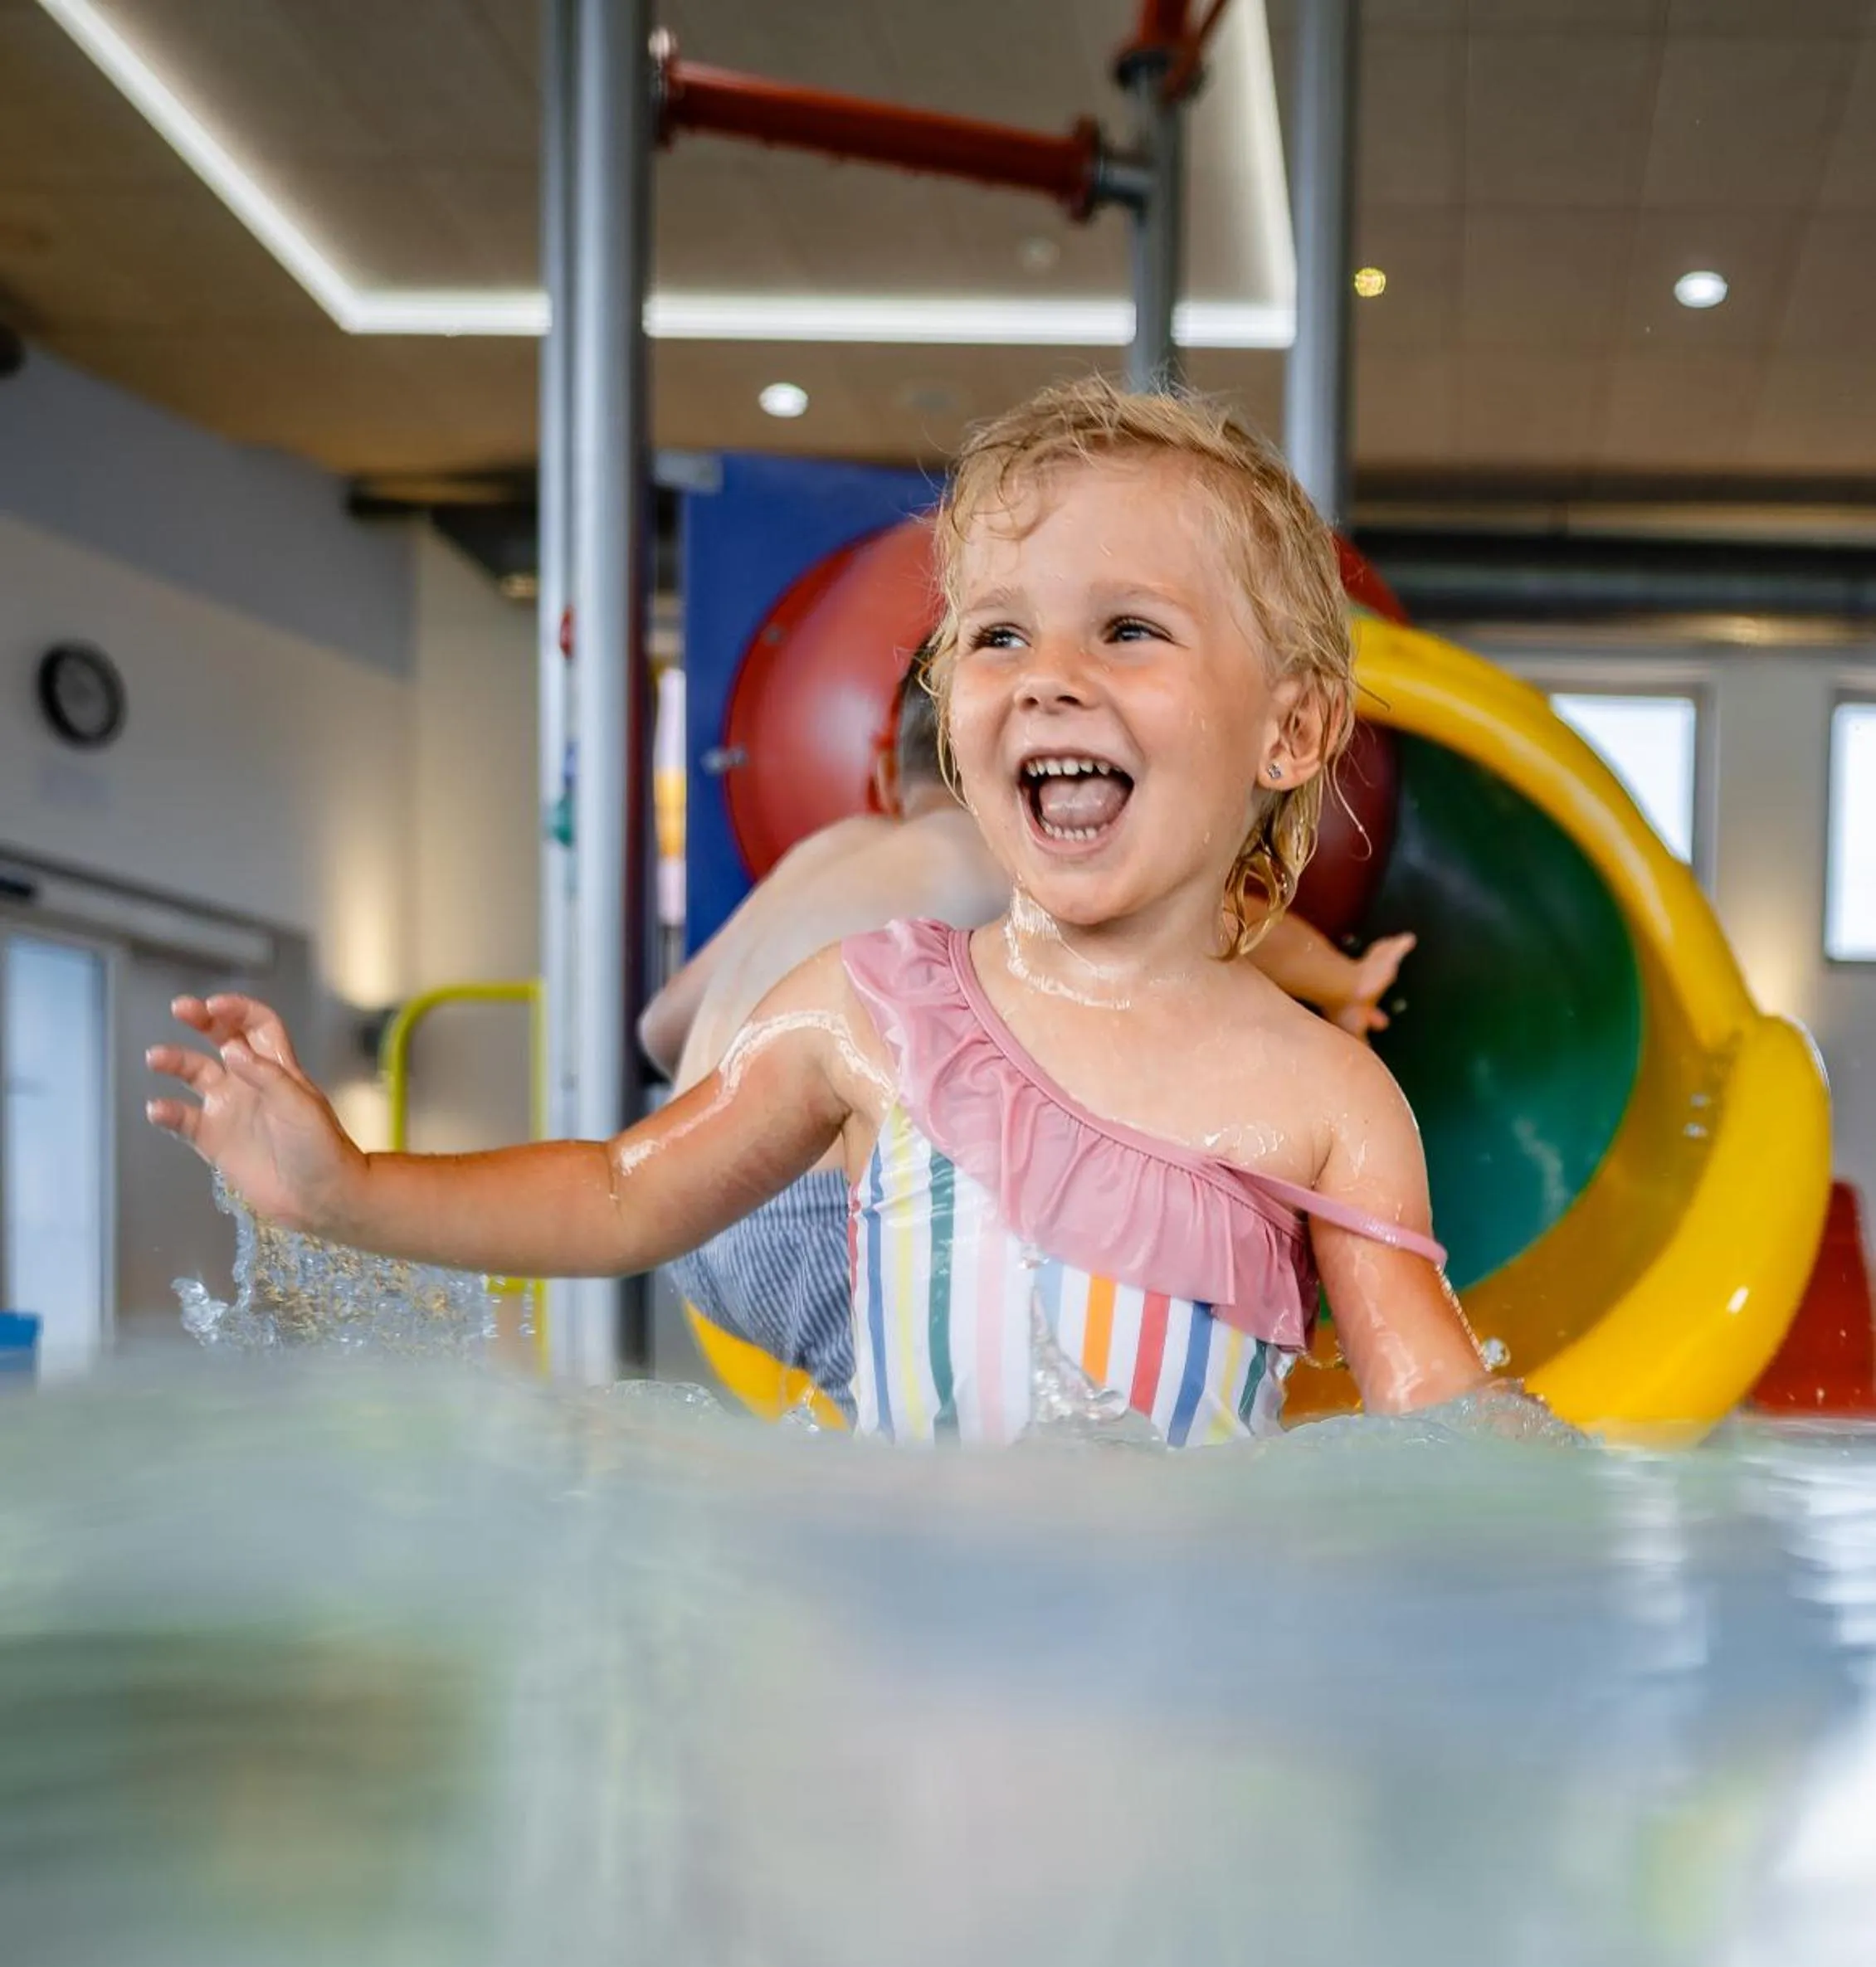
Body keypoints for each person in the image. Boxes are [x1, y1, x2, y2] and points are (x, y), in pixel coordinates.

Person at [147, 376, 1489, 1444]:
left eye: (1128, 630)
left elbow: (1433, 1410)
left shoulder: (1327, 1101)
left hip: (1165, 1702)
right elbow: (621, 1194)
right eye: (997, 634)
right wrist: (351, 1188)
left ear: (1293, 725)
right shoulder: (874, 1008)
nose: (1046, 679)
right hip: (898, 1682)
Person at [641, 641, 1414, 1415]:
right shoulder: (1009, 850)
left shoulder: (824, 851)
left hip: (699, 1201)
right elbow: (1218, 927)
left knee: (894, 1414)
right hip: (812, 1205)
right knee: (964, 1426)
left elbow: (660, 1027)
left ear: (882, 777)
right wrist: (1347, 981)